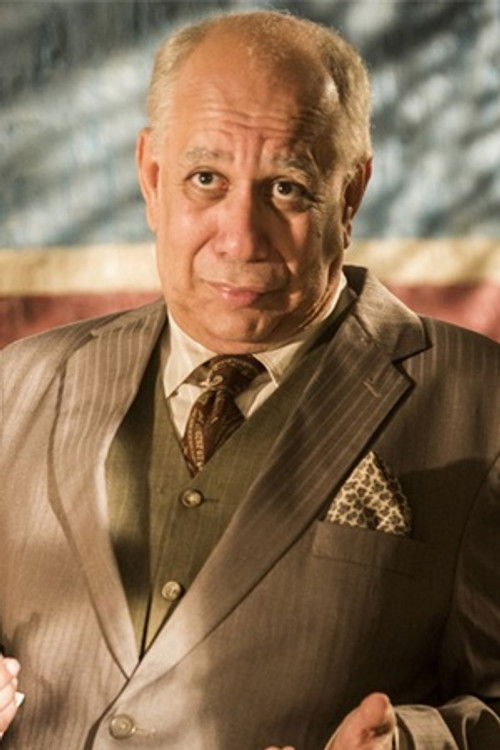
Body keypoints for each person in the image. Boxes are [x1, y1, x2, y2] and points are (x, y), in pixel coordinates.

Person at [0, 10, 499, 749]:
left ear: (351, 193)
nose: (240, 238)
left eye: (288, 188)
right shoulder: (17, 385)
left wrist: (415, 743)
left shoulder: (483, 403)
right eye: (206, 179)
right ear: (151, 177)